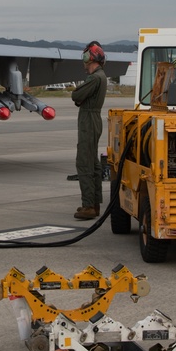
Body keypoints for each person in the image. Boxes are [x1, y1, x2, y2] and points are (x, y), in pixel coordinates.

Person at [72, 42, 108, 220]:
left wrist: (79, 97)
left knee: (84, 162)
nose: (84, 63)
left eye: (86, 58)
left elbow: (76, 95)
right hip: (94, 119)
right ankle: (94, 203)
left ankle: (88, 205)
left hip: (88, 119)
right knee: (93, 163)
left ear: (91, 58)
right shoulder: (101, 76)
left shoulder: (94, 78)